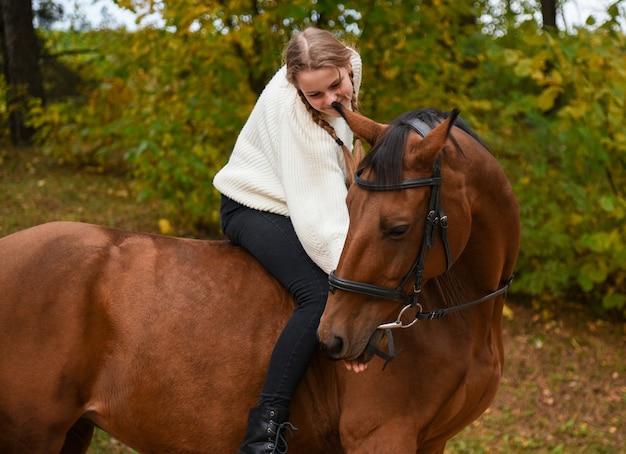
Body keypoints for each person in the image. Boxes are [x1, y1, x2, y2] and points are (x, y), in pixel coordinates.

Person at [213, 27, 364, 454]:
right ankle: (265, 430)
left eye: (337, 84)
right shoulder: (303, 124)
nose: (332, 100)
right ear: (296, 84)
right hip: (256, 205)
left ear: (346, 64)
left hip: (299, 197)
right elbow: (323, 231)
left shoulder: (345, 66)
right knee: (319, 295)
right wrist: (354, 312)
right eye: (315, 95)